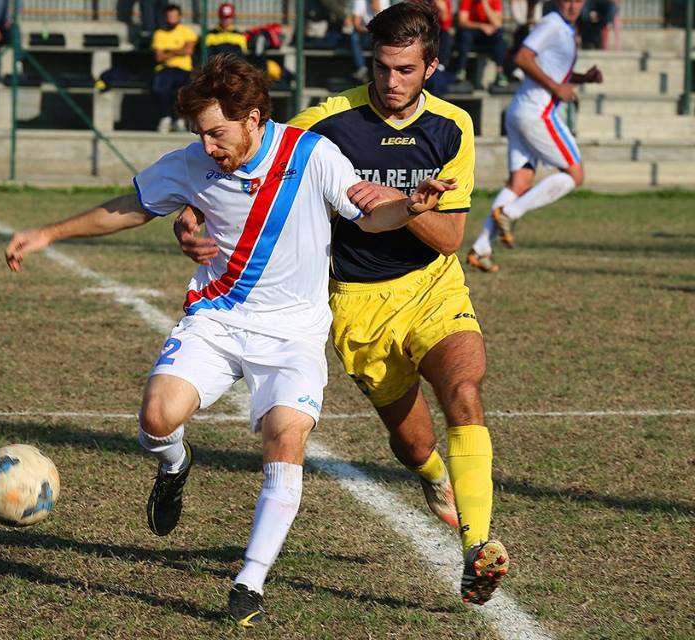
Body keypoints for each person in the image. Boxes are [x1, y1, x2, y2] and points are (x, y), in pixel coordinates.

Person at [5, 54, 451, 626]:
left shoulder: (309, 155)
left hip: (293, 335)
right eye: (201, 135)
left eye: (217, 133)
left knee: (286, 436)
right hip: (217, 319)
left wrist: (408, 207)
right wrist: (48, 232)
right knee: (157, 419)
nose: (208, 146)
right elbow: (129, 208)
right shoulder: (191, 164)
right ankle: (174, 466)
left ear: (254, 118)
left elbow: (368, 213)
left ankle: (250, 580)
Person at [176, 2, 510, 606]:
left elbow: (450, 238)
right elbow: (248, 152)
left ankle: (478, 548)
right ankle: (435, 477)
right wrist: (192, 207)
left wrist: (401, 201)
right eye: (382, 67)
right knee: (412, 446)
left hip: (434, 287)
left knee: (463, 392)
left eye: (406, 69)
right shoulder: (328, 120)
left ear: (431, 66)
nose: (391, 82)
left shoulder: (452, 128)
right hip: (358, 302)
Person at [467, 0, 602, 273]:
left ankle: (481, 248)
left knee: (519, 182)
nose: (574, 5)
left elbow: (550, 68)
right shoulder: (552, 23)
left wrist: (583, 78)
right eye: (568, 0)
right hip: (537, 113)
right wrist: (556, 88)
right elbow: (522, 58)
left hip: (522, 110)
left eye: (579, 0)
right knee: (575, 175)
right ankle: (510, 213)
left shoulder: (563, 28)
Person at [151, 4, 197, 133]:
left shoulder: (187, 31)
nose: (172, 18)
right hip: (165, 69)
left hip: (184, 69)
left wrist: (168, 51)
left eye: (174, 16)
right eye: (169, 16)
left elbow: (189, 49)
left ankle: (180, 120)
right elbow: (159, 57)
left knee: (184, 90)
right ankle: (165, 118)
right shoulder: (159, 34)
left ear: (179, 16)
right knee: (158, 87)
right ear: (165, 17)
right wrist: (179, 50)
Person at [454, 0, 509, 87]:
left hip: (488, 35)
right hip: (472, 33)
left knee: (499, 37)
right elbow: (462, 22)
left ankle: (500, 72)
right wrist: (482, 26)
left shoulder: (495, 1)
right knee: (464, 35)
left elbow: (498, 24)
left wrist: (485, 4)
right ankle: (461, 70)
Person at [348, 0, 381, 82]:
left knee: (380, 36)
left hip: (381, 33)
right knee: (354, 36)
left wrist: (376, 7)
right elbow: (356, 23)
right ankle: (361, 68)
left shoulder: (386, 2)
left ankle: (379, 68)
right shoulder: (360, 1)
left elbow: (386, 23)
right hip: (367, 32)